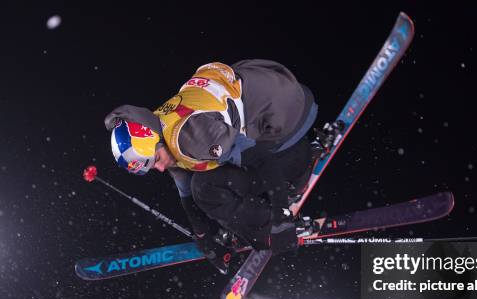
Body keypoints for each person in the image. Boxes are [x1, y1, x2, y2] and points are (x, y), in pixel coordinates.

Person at [104, 61, 320, 273]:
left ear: (156, 142)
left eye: (156, 159)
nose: (159, 168)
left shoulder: (190, 136)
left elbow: (262, 159)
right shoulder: (160, 124)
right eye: (150, 167)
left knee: (207, 187)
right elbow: (186, 193)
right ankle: (264, 202)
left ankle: (296, 172)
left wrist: (281, 218)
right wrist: (203, 239)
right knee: (204, 179)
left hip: (291, 111)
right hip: (272, 85)